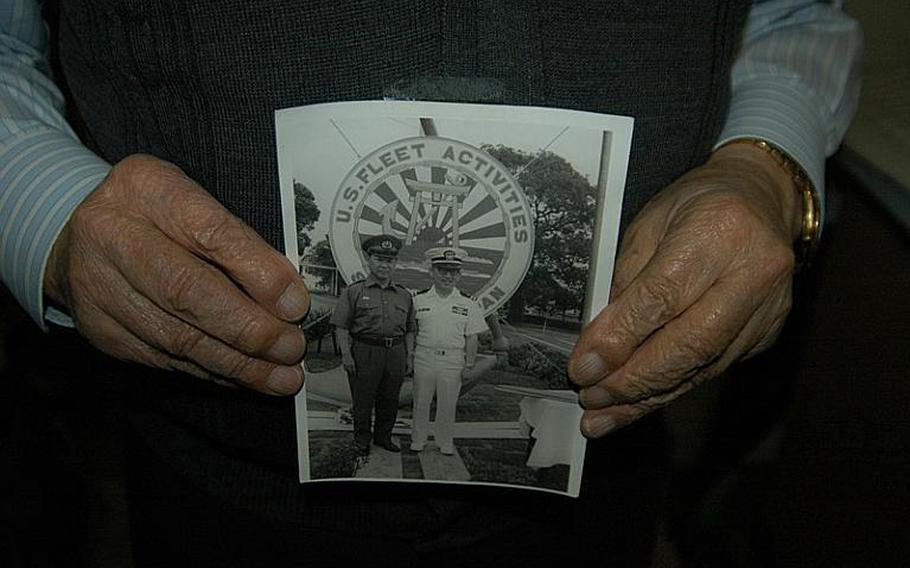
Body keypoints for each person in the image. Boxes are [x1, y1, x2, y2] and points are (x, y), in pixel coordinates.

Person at [0, 0, 862, 564]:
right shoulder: (398, 291)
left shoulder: (443, 295)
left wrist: (765, 165)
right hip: (214, 493)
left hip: (604, 479)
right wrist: (51, 210)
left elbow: (792, 16)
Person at [331, 234, 415, 455]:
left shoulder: (404, 295)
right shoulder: (354, 291)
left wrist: (409, 356)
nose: (384, 265)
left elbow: (410, 329)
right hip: (364, 351)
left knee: (390, 399)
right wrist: (346, 356)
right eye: (379, 259)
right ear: (369, 260)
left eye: (390, 261)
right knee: (363, 399)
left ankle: (383, 437)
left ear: (395, 263)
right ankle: (361, 440)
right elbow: (341, 327)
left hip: (395, 352)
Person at [410, 247, 487, 455]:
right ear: (431, 271)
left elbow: (472, 337)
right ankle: (418, 439)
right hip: (424, 356)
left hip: (453, 360)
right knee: (421, 401)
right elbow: (411, 332)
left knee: (447, 403)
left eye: (453, 271)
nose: (447, 276)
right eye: (442, 270)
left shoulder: (468, 303)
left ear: (459, 275)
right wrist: (409, 358)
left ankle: (444, 441)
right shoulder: (419, 300)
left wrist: (469, 364)